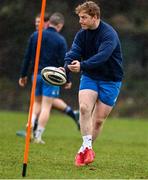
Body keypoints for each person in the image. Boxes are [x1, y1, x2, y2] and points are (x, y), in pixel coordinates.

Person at [63, 1, 123, 166]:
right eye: (80, 17)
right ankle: (88, 148)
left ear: (95, 17)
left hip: (111, 80)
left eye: (84, 17)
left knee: (98, 120)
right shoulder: (81, 34)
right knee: (84, 108)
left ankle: (83, 149)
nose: (80, 21)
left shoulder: (109, 34)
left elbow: (102, 57)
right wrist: (65, 68)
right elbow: (74, 51)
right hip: (90, 76)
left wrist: (81, 65)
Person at [19, 12, 74, 144]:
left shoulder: (35, 35)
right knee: (46, 106)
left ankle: (31, 122)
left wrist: (23, 74)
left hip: (36, 75)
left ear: (48, 23)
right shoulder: (60, 40)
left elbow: (27, 56)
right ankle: (38, 136)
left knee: (36, 103)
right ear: (59, 25)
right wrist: (68, 79)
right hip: (51, 77)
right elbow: (64, 61)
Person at [34, 13, 80, 130]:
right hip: (42, 75)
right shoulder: (38, 36)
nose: (37, 24)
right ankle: (73, 114)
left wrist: (66, 77)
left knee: (44, 103)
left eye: (39, 22)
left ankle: (34, 130)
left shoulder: (40, 36)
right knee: (46, 102)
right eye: (36, 22)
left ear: (47, 23)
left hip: (50, 75)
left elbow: (64, 59)